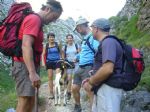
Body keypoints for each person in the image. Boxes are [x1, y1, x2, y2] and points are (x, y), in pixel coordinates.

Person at [11, 1, 63, 112]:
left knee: (30, 100)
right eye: (54, 17)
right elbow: (26, 45)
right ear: (48, 9)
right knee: (24, 100)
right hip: (24, 66)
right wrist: (32, 72)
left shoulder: (36, 21)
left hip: (27, 65)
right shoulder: (34, 19)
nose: (53, 20)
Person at [83, 18, 124, 112]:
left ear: (96, 28)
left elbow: (107, 69)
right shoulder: (107, 42)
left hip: (109, 89)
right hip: (105, 88)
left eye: (92, 28)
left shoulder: (108, 42)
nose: (91, 30)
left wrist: (91, 82)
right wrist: (94, 73)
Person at [72, 18, 99, 112]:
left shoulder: (93, 37)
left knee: (89, 90)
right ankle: (78, 106)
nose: (78, 31)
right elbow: (85, 51)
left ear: (82, 26)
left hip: (89, 67)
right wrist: (77, 56)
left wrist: (95, 67)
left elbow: (98, 50)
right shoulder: (85, 38)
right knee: (74, 87)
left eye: (78, 29)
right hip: (80, 66)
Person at [42, 32, 63, 99]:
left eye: (53, 37)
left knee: (57, 76)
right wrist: (43, 63)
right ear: (48, 38)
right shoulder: (46, 45)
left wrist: (62, 59)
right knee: (50, 77)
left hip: (57, 61)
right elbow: (43, 54)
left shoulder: (57, 44)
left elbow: (62, 52)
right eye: (50, 37)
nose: (52, 38)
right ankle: (51, 93)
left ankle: (57, 90)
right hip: (49, 62)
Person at [62, 34, 80, 100]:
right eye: (68, 38)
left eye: (71, 38)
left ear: (73, 39)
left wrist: (77, 59)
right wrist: (64, 64)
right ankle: (69, 92)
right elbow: (63, 56)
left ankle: (76, 91)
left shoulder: (76, 45)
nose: (70, 39)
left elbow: (79, 54)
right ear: (66, 39)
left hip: (76, 63)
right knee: (69, 78)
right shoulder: (65, 47)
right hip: (68, 63)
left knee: (76, 77)